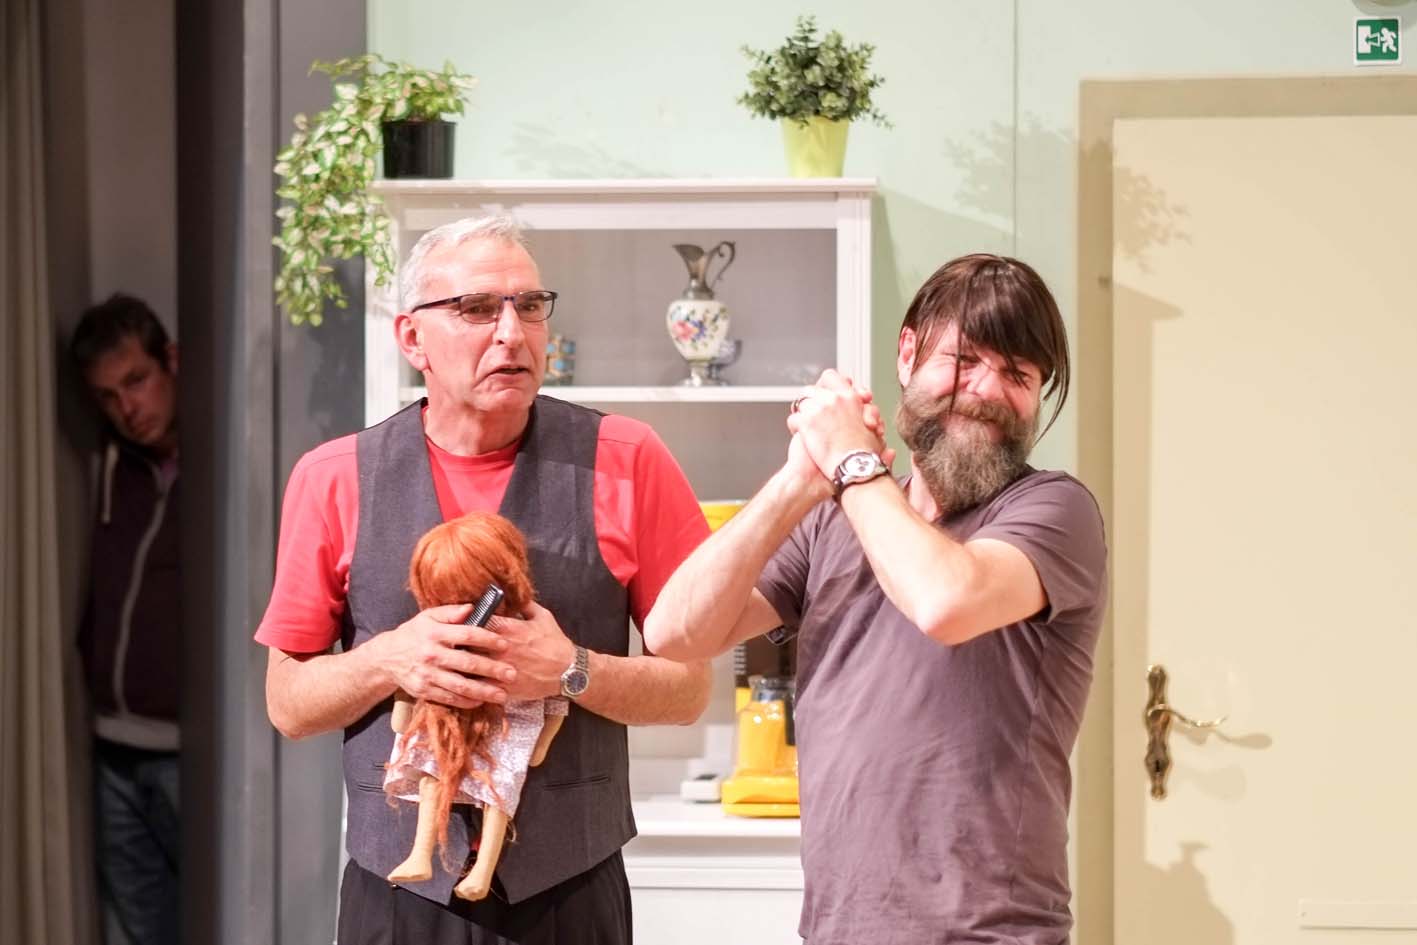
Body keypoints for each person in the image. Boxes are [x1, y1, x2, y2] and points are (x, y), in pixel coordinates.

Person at [255, 214, 712, 945]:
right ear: (412, 338)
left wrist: (571, 669)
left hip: (571, 895)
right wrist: (388, 659)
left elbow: (689, 689)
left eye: (529, 305)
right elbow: (287, 703)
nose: (511, 332)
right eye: (476, 308)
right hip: (400, 899)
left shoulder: (627, 458)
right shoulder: (332, 477)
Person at [644, 254, 1108, 944]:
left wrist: (850, 460)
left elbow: (944, 602)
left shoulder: (1053, 510)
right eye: (965, 359)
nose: (986, 390)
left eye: (1018, 375)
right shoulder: (835, 517)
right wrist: (799, 480)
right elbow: (675, 632)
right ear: (907, 353)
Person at [70, 293, 182, 945]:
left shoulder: (222, 463)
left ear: (172, 361)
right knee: (143, 932)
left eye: (136, 380)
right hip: (111, 747)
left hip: (188, 751)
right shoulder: (107, 464)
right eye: (108, 396)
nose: (127, 408)